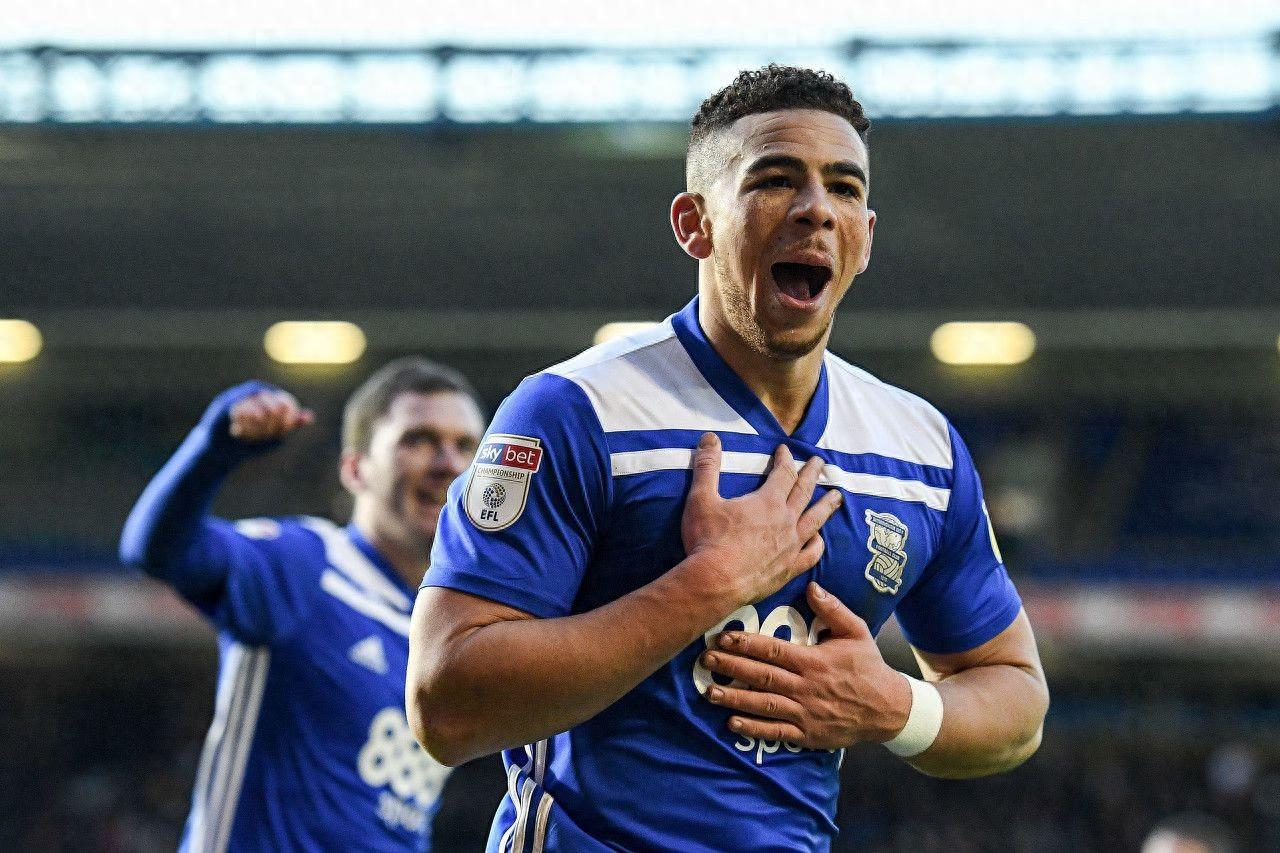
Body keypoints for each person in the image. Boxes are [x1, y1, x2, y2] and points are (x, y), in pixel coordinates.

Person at [408, 65, 1049, 852]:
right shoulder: (578, 411)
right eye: (775, 180)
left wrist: (894, 705)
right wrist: (708, 584)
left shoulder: (919, 448)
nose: (816, 209)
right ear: (695, 223)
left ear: (865, 238)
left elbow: (1016, 701)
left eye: (844, 188)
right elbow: (445, 703)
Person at [120, 357, 485, 852]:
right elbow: (155, 549)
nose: (449, 464)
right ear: (355, 469)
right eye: (418, 440)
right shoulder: (306, 563)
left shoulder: (453, 627)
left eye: (466, 446)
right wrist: (215, 445)